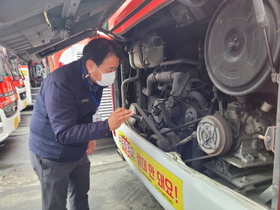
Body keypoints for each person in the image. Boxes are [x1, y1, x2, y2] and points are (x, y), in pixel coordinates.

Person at [29, 38, 133, 210]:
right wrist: (106, 125)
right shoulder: (60, 83)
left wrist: (90, 137)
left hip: (77, 149)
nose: (113, 74)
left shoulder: (94, 78)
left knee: (80, 194)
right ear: (91, 64)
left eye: (115, 69)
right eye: (111, 69)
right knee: (54, 204)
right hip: (52, 154)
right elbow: (63, 133)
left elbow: (86, 109)